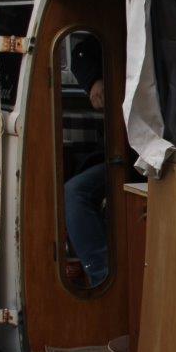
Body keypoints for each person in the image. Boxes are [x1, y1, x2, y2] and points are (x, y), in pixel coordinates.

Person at [63, 34, 109, 288]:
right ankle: (101, 274)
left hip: (154, 153)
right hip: (126, 154)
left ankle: (102, 277)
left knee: (75, 192)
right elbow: (82, 53)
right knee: (75, 191)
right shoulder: (115, 39)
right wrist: (94, 81)